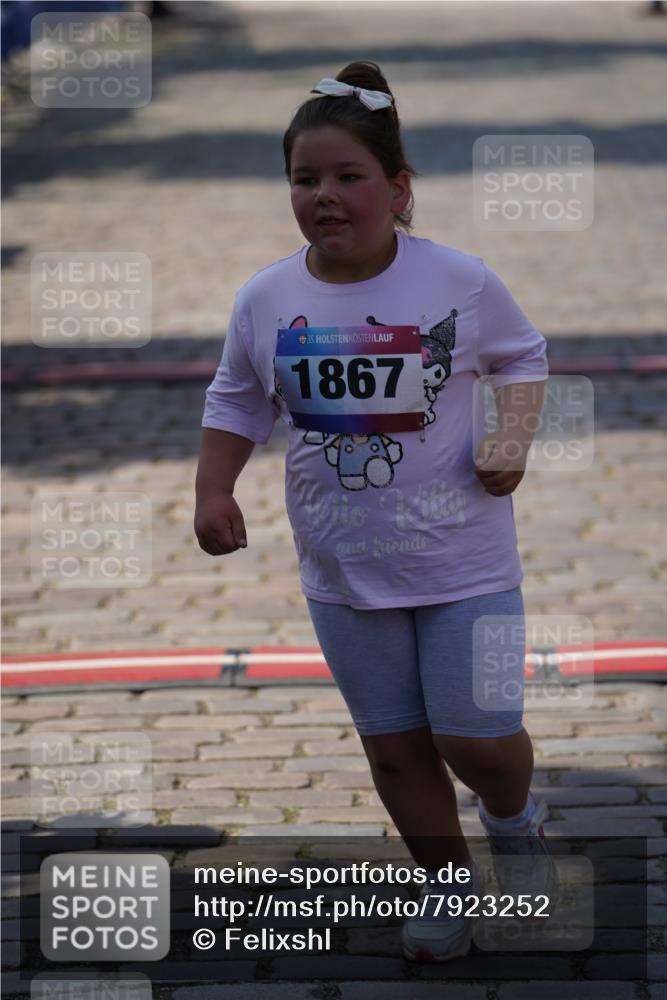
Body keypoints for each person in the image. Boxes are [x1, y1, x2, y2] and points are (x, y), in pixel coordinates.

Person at [195, 60, 553, 964]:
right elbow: (236, 399)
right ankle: (443, 888)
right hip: (345, 569)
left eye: (348, 176)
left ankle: (515, 818)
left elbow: (521, 356)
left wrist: (508, 440)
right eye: (304, 179)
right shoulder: (267, 298)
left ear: (397, 191)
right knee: (395, 750)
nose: (324, 196)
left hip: (462, 560)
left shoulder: (461, 281)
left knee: (474, 738)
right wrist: (213, 489)